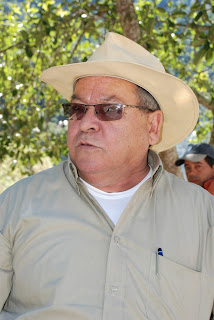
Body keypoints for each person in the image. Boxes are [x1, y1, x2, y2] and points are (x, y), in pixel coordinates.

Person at [0, 32, 214, 320]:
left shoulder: (204, 215)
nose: (86, 123)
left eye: (109, 110)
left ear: (153, 126)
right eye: (77, 109)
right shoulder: (15, 205)